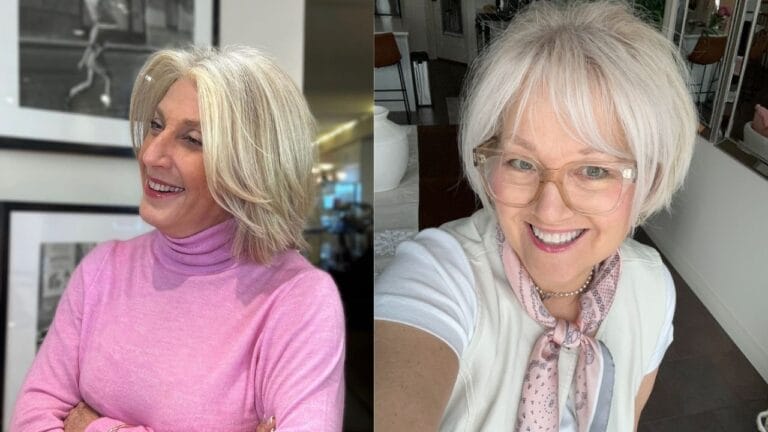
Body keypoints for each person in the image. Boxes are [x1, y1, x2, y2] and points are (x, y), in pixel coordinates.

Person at [374, 1, 697, 431]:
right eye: (521, 162)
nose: (549, 209)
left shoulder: (652, 288)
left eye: (594, 170)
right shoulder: (439, 275)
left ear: (652, 178)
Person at [12, 46, 345, 431]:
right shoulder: (102, 270)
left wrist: (88, 425)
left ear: (251, 169)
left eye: (192, 139)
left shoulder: (299, 300)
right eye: (156, 125)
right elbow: (30, 420)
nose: (151, 154)